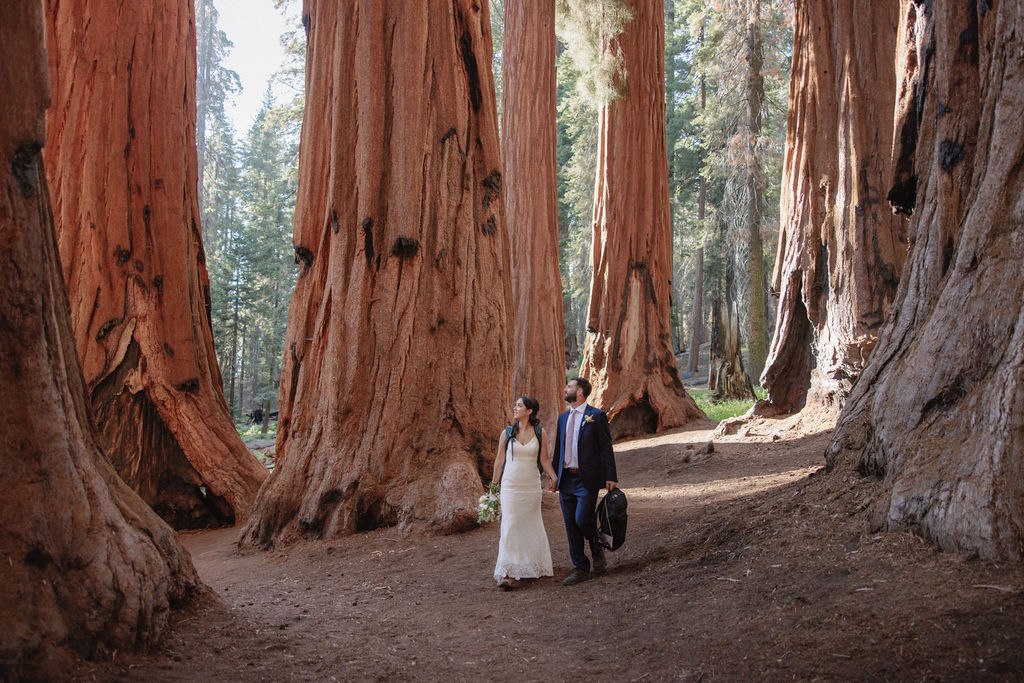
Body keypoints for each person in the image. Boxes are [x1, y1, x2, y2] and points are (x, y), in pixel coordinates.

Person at [551, 377, 618, 585]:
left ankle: (596, 547)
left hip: (586, 478)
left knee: (582, 519)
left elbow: (606, 448)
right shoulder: (562, 418)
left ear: (580, 391)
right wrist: (554, 476)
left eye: (569, 386)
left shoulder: (596, 416)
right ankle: (580, 566)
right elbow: (558, 450)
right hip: (566, 479)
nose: (565, 389)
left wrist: (610, 476)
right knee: (570, 524)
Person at [491, 396, 559, 590]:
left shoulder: (540, 433)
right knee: (510, 525)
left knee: (530, 525)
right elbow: (499, 461)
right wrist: (493, 489)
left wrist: (553, 477)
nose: (515, 407)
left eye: (519, 405)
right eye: (516, 405)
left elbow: (544, 459)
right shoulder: (507, 433)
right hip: (510, 486)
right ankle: (508, 572)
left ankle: (529, 565)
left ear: (530, 411)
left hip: (530, 486)